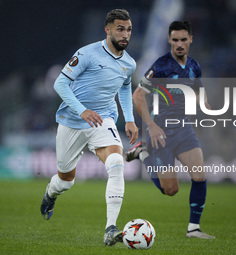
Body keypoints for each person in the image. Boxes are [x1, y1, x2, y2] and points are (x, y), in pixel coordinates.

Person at [40, 9, 139, 246]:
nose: (125, 34)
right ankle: (50, 193)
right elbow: (60, 83)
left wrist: (130, 119)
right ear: (107, 29)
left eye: (128, 30)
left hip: (103, 119)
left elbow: (125, 87)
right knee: (66, 181)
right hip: (72, 121)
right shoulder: (87, 53)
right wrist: (81, 110)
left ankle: (110, 228)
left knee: (116, 164)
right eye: (120, 29)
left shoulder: (129, 63)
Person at [126, 21, 214, 239]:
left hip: (184, 130)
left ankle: (193, 228)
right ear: (169, 41)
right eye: (175, 40)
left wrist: (206, 106)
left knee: (200, 176)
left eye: (183, 39)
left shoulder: (194, 66)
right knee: (170, 190)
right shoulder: (161, 66)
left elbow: (198, 90)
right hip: (161, 132)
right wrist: (152, 126)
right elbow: (137, 96)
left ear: (191, 39)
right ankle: (143, 153)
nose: (179, 44)